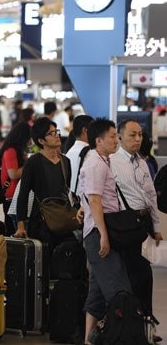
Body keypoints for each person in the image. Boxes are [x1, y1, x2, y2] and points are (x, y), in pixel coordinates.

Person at [77, 118, 132, 344]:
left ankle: (89, 340)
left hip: (100, 230)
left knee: (98, 290)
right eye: (112, 136)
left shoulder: (100, 161)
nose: (116, 140)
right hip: (99, 232)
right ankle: (121, 337)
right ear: (99, 141)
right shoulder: (95, 164)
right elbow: (95, 200)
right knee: (118, 290)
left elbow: (87, 197)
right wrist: (104, 236)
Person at [110, 119, 163, 332]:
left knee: (145, 277)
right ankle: (131, 326)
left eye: (140, 135)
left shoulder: (141, 161)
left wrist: (157, 227)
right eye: (133, 135)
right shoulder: (112, 161)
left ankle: (145, 324)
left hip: (143, 224)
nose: (138, 139)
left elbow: (151, 196)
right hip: (124, 224)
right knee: (133, 276)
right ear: (120, 136)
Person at [14, 117, 73, 265]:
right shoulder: (33, 162)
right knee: (43, 263)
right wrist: (21, 224)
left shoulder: (66, 162)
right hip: (41, 221)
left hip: (63, 219)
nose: (56, 135)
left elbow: (67, 190)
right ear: (41, 140)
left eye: (56, 131)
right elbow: (24, 194)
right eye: (51, 133)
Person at [0, 122, 31, 234]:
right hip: (11, 196)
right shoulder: (11, 151)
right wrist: (29, 164)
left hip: (16, 195)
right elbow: (13, 174)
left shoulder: (18, 150)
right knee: (13, 231)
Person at [65, 115, 94, 193]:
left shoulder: (69, 152)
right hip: (85, 201)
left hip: (72, 201)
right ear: (85, 130)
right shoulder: (89, 153)